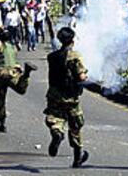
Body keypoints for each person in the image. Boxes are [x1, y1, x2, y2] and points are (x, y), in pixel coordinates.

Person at [44, 27, 89, 168]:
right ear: (72, 41)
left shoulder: (52, 57)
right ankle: (77, 158)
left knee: (55, 118)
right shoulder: (75, 56)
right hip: (71, 97)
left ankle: (57, 132)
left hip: (55, 94)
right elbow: (81, 76)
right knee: (75, 126)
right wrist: (85, 77)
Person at [0, 24, 37, 133]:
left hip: (2, 74)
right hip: (14, 72)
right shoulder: (12, 47)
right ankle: (26, 74)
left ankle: (2, 123)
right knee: (21, 89)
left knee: (0, 99)